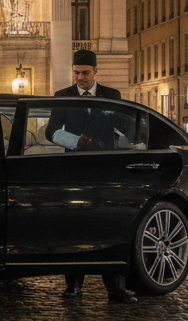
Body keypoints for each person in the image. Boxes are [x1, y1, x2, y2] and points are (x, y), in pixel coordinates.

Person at [47, 49, 136, 304]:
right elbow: (51, 132)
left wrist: (127, 140)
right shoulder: (62, 96)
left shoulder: (112, 96)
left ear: (96, 71)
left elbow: (125, 128)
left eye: (85, 73)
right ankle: (73, 285)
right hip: (74, 170)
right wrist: (77, 142)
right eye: (76, 73)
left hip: (106, 170)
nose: (80, 78)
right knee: (75, 228)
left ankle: (116, 289)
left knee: (112, 226)